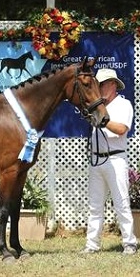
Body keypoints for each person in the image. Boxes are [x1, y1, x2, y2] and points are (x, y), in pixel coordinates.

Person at [81, 68, 137, 255]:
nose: (100, 87)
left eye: (103, 84)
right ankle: (92, 245)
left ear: (113, 85)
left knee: (121, 203)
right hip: (97, 160)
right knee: (95, 205)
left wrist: (103, 121)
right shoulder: (99, 106)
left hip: (116, 159)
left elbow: (121, 129)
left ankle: (129, 243)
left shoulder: (124, 105)